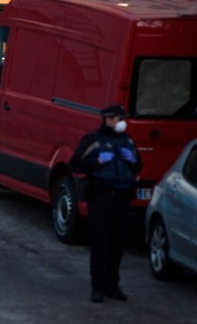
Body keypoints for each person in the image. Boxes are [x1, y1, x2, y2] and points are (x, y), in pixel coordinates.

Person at [69, 104, 142, 303]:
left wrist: (132, 160)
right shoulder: (94, 140)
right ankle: (98, 287)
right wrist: (97, 162)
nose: (120, 122)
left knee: (117, 243)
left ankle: (113, 285)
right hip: (101, 196)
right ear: (108, 119)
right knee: (100, 242)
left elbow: (137, 166)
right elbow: (75, 164)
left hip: (122, 196)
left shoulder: (127, 141)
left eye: (121, 119)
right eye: (117, 119)